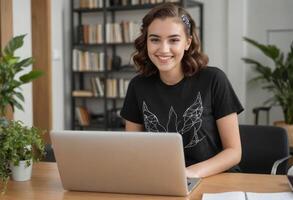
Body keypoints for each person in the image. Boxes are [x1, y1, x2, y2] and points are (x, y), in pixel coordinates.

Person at [120, 3, 244, 178]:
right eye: (155, 39)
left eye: (174, 40)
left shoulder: (214, 80)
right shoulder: (137, 86)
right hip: (162, 179)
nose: (163, 49)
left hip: (215, 179)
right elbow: (132, 149)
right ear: (146, 42)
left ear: (187, 43)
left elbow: (233, 152)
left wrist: (188, 173)